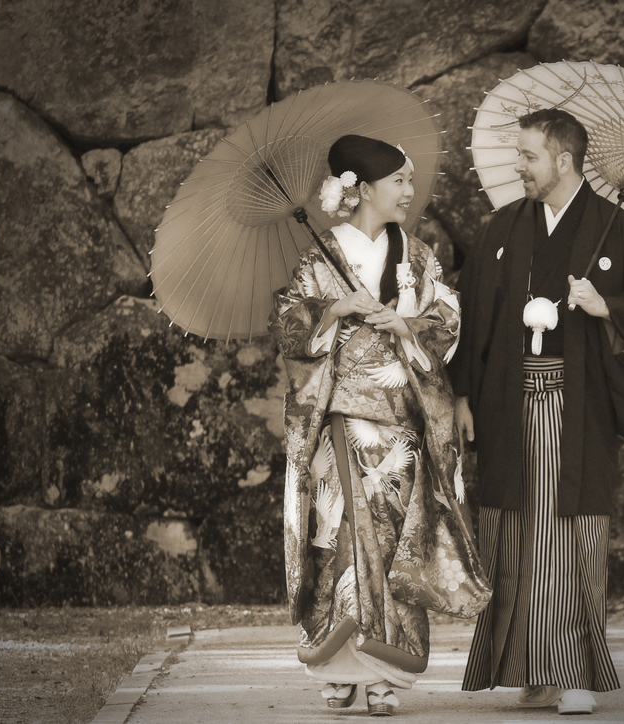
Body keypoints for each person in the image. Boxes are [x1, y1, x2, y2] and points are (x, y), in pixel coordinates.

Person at [448, 108, 624, 715]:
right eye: (519, 154)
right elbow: (471, 315)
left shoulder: (616, 231)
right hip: (506, 402)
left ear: (564, 160)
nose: (519, 166)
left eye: (529, 156)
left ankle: (573, 673)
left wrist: (605, 306)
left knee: (571, 536)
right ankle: (530, 670)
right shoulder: (502, 228)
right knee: (513, 534)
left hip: (577, 409)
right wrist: (462, 395)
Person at [270, 134, 461, 717]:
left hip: (400, 427)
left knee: (396, 542)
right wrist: (335, 308)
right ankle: (337, 668)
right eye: (399, 180)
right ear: (364, 188)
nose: (408, 191)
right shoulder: (319, 256)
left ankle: (383, 675)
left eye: (409, 181)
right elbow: (288, 323)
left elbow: (447, 319)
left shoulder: (418, 257)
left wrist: (403, 324)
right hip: (338, 425)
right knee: (337, 538)